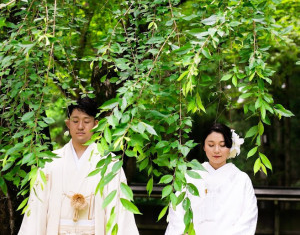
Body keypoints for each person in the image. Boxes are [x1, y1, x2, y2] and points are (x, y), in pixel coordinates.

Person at [18, 97, 139, 235]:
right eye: (75, 121)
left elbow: (120, 214)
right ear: (68, 124)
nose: (80, 126)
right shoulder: (50, 163)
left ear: (96, 124)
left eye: (86, 121)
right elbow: (36, 211)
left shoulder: (109, 164)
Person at [165, 123, 258, 235]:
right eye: (211, 145)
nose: (216, 150)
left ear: (230, 147)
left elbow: (248, 217)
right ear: (204, 146)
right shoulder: (190, 177)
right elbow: (177, 211)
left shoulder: (241, 180)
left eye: (222, 145)